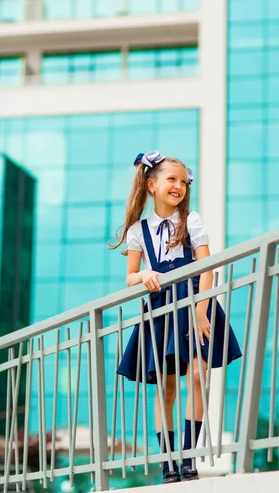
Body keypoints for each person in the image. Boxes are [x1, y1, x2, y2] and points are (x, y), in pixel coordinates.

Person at [110, 150, 241, 484]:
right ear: (151, 184)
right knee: (166, 387)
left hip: (194, 302)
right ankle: (168, 463)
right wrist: (144, 275)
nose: (179, 186)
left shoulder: (191, 220)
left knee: (197, 376)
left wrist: (201, 310)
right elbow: (130, 276)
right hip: (161, 309)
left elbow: (207, 266)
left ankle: (189, 457)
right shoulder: (139, 230)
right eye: (172, 179)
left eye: (183, 181)